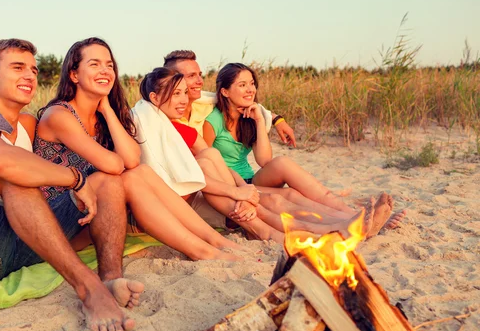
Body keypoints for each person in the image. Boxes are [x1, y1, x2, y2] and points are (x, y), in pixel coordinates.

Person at [0, 39, 141, 331]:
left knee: (108, 181)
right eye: (18, 68)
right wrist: (75, 179)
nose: (29, 76)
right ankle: (90, 290)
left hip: (20, 243)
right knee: (14, 177)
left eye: (33, 70)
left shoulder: (28, 124)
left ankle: (110, 279)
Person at [34, 37, 241, 262]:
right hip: (57, 222)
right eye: (94, 64)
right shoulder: (59, 115)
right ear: (74, 75)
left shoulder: (102, 115)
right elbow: (114, 164)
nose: (104, 70)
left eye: (109, 65)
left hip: (93, 214)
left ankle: (215, 240)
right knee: (129, 178)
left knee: (139, 173)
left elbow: (132, 160)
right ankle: (200, 250)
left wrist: (108, 110)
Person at [135, 67, 376, 241]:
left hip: (228, 186)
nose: (183, 99)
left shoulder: (190, 127)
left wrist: (242, 188)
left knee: (281, 189)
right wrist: (238, 192)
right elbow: (194, 175)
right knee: (275, 199)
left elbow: (248, 161)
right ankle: (328, 229)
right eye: (176, 93)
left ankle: (344, 219)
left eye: (183, 92)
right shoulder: (159, 128)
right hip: (199, 197)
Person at [203, 63, 405, 236]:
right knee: (289, 196)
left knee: (282, 163)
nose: (250, 90)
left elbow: (265, 161)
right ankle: (353, 223)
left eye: (252, 84)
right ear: (225, 91)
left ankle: (354, 215)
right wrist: (237, 189)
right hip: (231, 184)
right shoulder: (213, 121)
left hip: (251, 179)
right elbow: (206, 162)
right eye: (242, 85)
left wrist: (258, 120)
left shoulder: (252, 116)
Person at [162, 50, 296, 146]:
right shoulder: (161, 116)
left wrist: (277, 120)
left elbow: (240, 103)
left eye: (200, 74)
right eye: (191, 76)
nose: (200, 81)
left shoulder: (207, 105)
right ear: (172, 81)